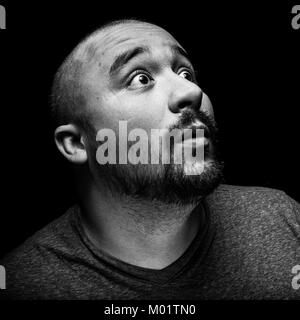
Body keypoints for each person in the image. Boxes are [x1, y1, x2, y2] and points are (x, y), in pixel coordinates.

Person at [1, 19, 299, 300]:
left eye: (185, 73)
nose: (191, 91)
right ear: (77, 143)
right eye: (141, 78)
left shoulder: (284, 220)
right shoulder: (23, 282)